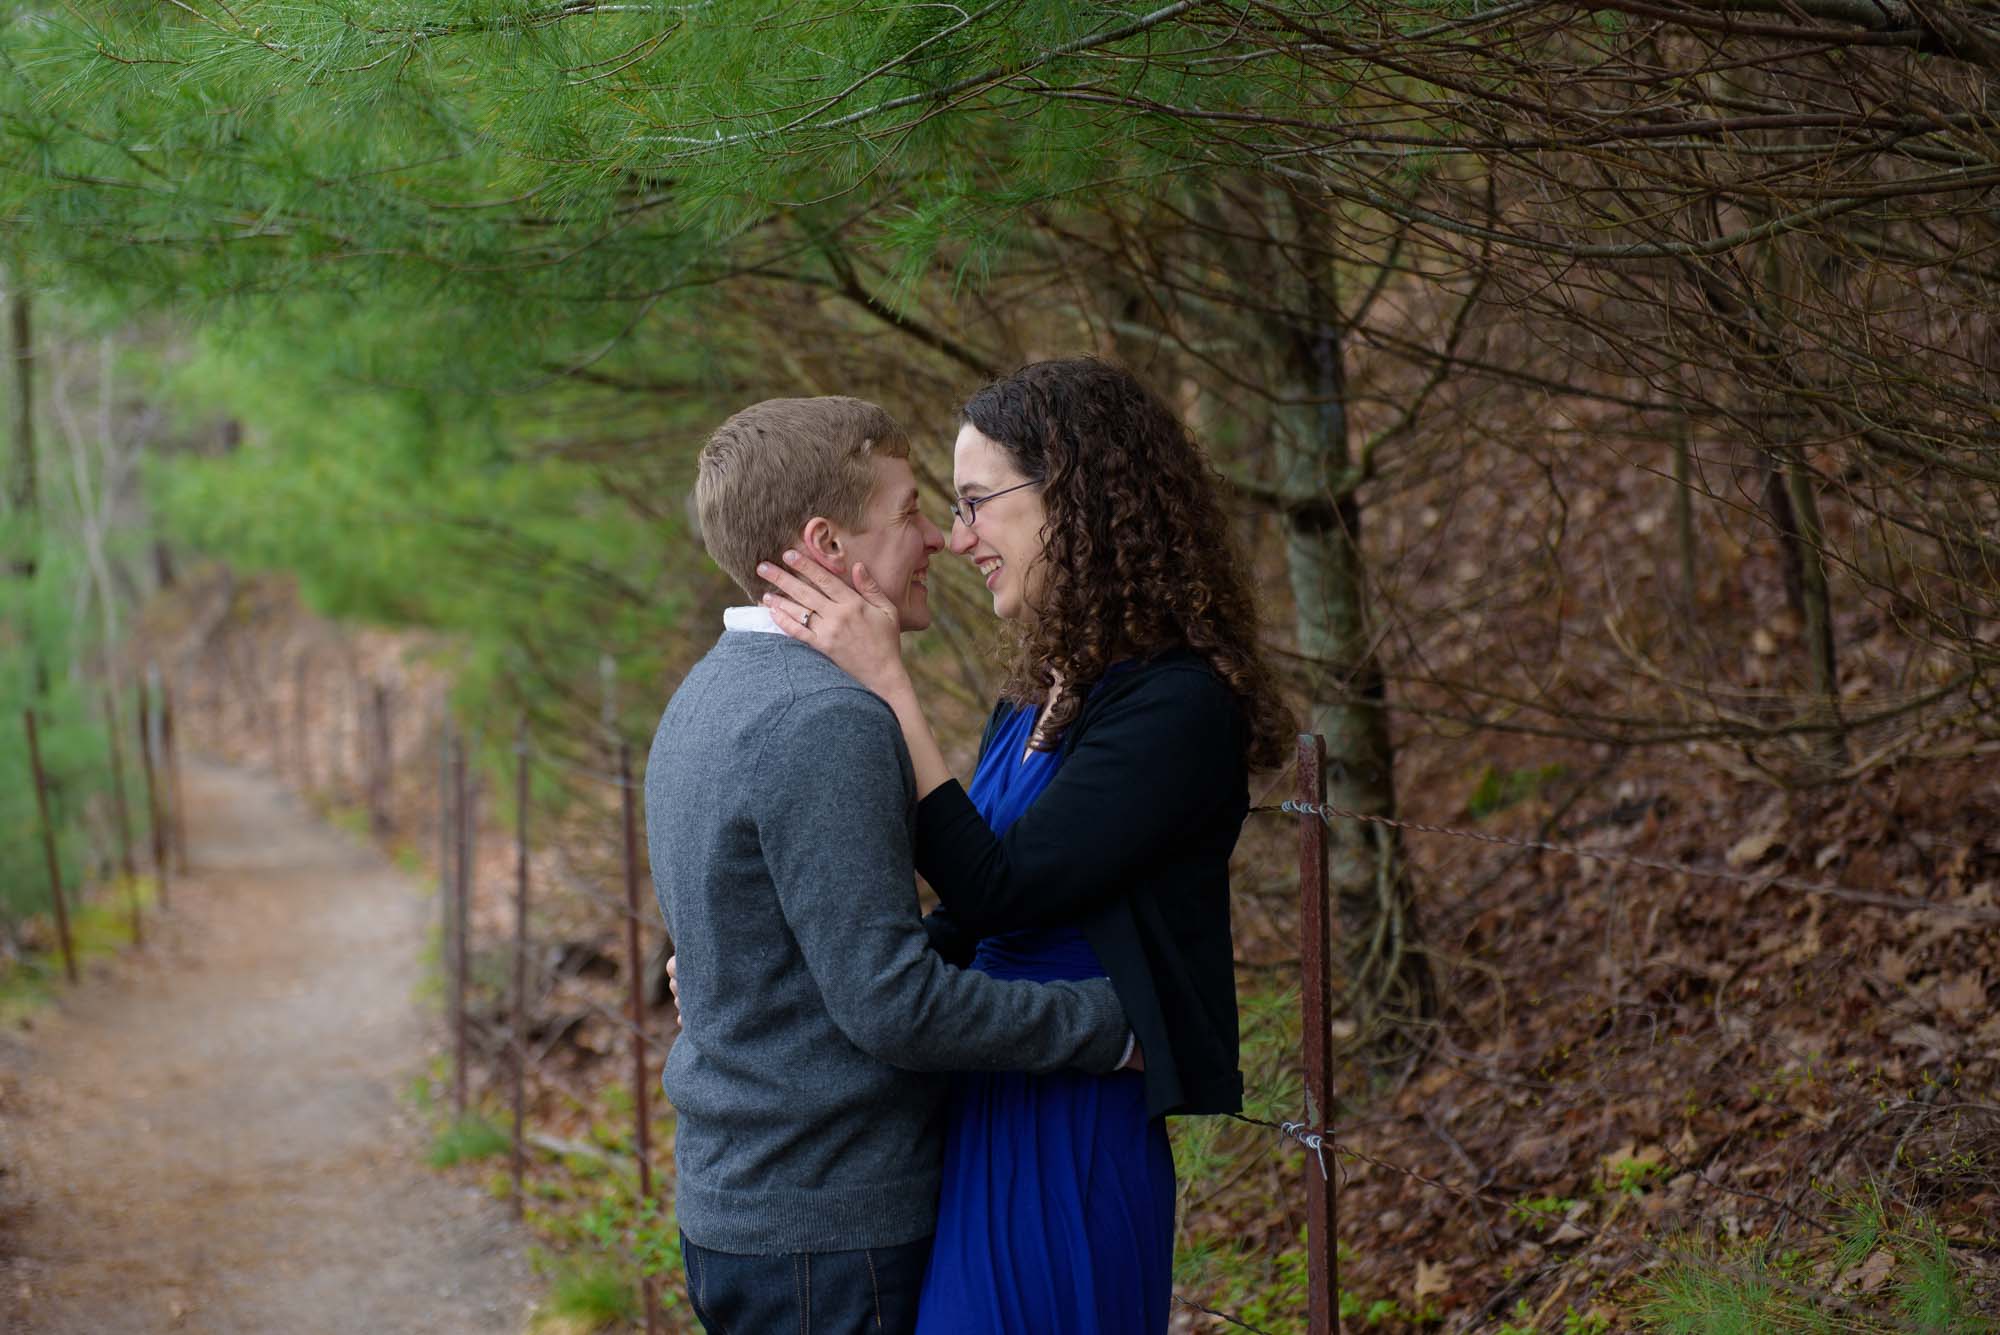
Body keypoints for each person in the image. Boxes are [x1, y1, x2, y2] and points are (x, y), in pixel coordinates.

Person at [757, 357, 1293, 1334]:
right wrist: (778, 966)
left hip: (1074, 1123)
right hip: (988, 1100)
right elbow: (962, 917)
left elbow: (1001, 889)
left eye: (974, 503)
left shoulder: (1175, 706)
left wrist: (889, 686)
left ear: (1074, 496)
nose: (957, 540)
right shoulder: (1042, 693)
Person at [647, 394, 1137, 1335]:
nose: (940, 541)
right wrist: (1113, 1023)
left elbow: (780, 955)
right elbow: (892, 1004)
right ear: (829, 545)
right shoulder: (825, 721)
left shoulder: (705, 695)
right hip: (832, 1231)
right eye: (912, 511)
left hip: (744, 1209)